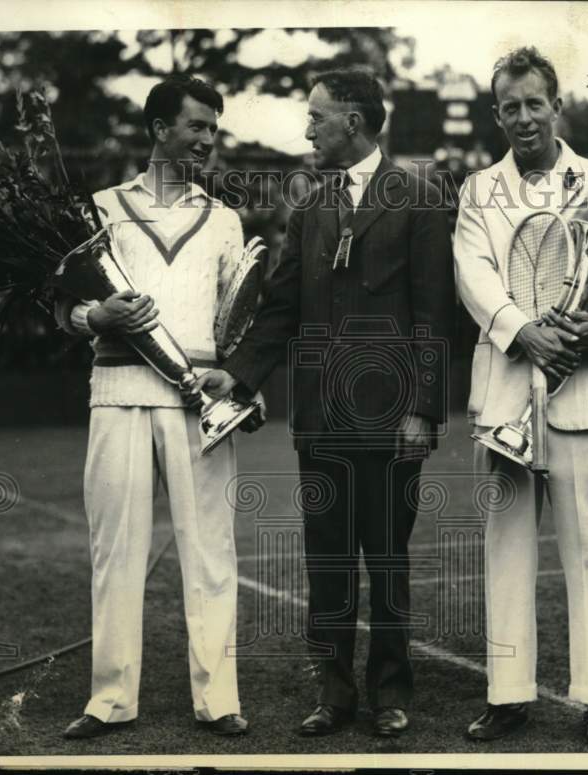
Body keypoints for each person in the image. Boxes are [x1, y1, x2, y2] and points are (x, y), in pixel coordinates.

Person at [199, 68, 455, 738]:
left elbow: (434, 315)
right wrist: (241, 377)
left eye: (317, 116)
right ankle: (334, 691)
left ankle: (390, 692)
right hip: (319, 420)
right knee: (326, 559)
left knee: (388, 559)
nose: (307, 128)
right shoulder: (310, 205)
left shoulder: (422, 197)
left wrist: (424, 407)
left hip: (391, 417)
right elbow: (282, 305)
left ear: (355, 121)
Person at [452, 47, 588, 745]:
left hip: (584, 394)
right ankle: (508, 693)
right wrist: (522, 332)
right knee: (505, 546)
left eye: (535, 102)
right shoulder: (479, 189)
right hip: (508, 393)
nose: (523, 117)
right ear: (497, 113)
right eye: (510, 106)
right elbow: (473, 275)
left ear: (557, 105)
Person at [55, 74, 258, 739]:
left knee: (211, 550)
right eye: (197, 125)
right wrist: (96, 313)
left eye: (214, 128)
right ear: (158, 128)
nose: (207, 139)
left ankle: (218, 697)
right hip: (117, 392)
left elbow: (239, 319)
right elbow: (59, 307)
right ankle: (110, 698)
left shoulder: (224, 218)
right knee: (117, 547)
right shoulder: (100, 208)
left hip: (197, 401)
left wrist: (236, 376)